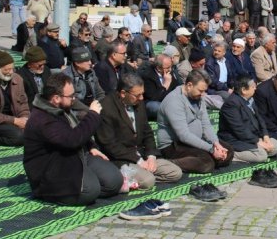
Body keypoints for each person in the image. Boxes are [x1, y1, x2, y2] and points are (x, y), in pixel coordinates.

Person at [23, 73, 123, 206]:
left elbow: (75, 129)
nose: (74, 98)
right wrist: (92, 115)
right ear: (56, 98)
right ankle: (51, 194)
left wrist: (91, 146)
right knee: (89, 192)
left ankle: (88, 183)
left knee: (114, 181)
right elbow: (72, 139)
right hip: (52, 168)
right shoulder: (43, 119)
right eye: (71, 96)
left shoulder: (61, 107)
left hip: (74, 155)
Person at [95, 74, 182, 190]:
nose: (141, 98)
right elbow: (110, 145)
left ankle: (138, 176)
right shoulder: (106, 108)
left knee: (175, 172)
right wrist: (138, 161)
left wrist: (151, 156)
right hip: (123, 159)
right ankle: (127, 178)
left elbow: (147, 132)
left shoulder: (138, 102)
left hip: (142, 154)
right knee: (148, 181)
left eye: (142, 94)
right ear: (123, 93)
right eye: (137, 95)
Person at [158, 70, 234, 173]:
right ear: (189, 85)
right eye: (200, 91)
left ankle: (208, 158)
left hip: (195, 139)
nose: (203, 95)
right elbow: (183, 135)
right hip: (174, 145)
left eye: (204, 91)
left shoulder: (198, 98)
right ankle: (168, 163)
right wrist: (211, 150)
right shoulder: (174, 101)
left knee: (227, 151)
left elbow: (205, 123)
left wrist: (216, 144)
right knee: (206, 162)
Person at [217, 75, 277, 163]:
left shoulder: (250, 99)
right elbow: (239, 129)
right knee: (261, 156)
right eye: (253, 87)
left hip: (252, 136)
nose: (255, 89)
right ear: (244, 90)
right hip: (235, 139)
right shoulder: (231, 104)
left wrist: (265, 136)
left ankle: (257, 149)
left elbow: (260, 119)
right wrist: (257, 142)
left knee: (276, 146)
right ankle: (232, 153)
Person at [63, 47, 105, 114]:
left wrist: (96, 105)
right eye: (86, 61)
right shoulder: (67, 76)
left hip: (93, 106)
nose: (90, 63)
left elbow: (100, 93)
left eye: (90, 60)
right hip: (78, 110)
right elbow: (72, 100)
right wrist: (90, 110)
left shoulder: (91, 72)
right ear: (77, 63)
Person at [140, 54, 177, 120]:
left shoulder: (168, 71)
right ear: (158, 68)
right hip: (151, 103)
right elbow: (154, 98)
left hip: (168, 101)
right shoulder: (147, 76)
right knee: (157, 107)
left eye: (171, 66)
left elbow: (177, 87)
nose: (170, 69)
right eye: (168, 68)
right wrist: (166, 84)